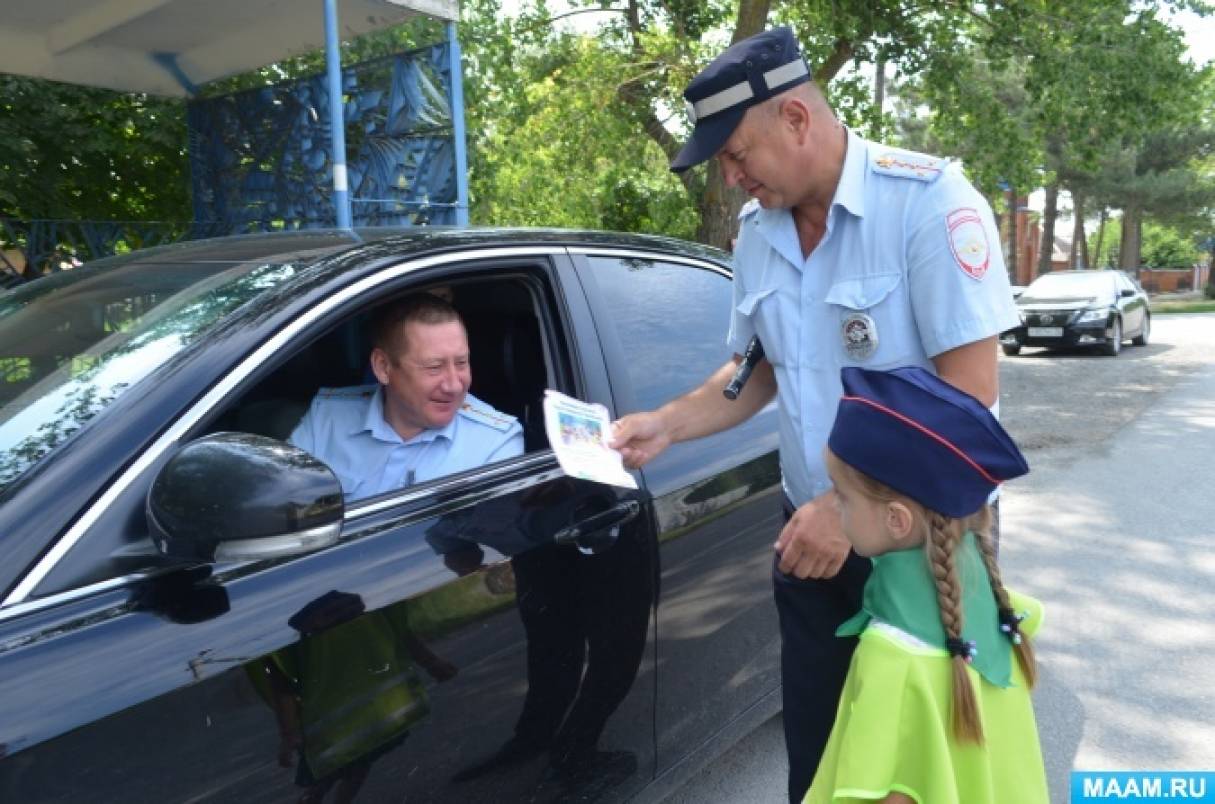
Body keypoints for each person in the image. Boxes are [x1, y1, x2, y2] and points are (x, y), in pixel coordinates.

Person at [609, 26, 1020, 801]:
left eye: (736, 154)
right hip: (812, 545)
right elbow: (754, 365)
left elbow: (970, 394)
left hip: (922, 553)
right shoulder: (758, 234)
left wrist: (846, 505)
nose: (730, 179)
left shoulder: (928, 204)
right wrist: (666, 424)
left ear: (795, 119)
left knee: (922, 776)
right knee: (823, 765)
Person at [805, 365, 1046, 803]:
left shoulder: (893, 657)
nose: (836, 510)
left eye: (842, 496)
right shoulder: (1004, 615)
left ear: (897, 520)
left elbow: (891, 794)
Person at [290, 293, 524, 501]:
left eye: (462, 363)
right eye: (434, 367)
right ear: (383, 367)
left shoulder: (494, 444)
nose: (454, 385)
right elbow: (285, 509)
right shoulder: (327, 419)